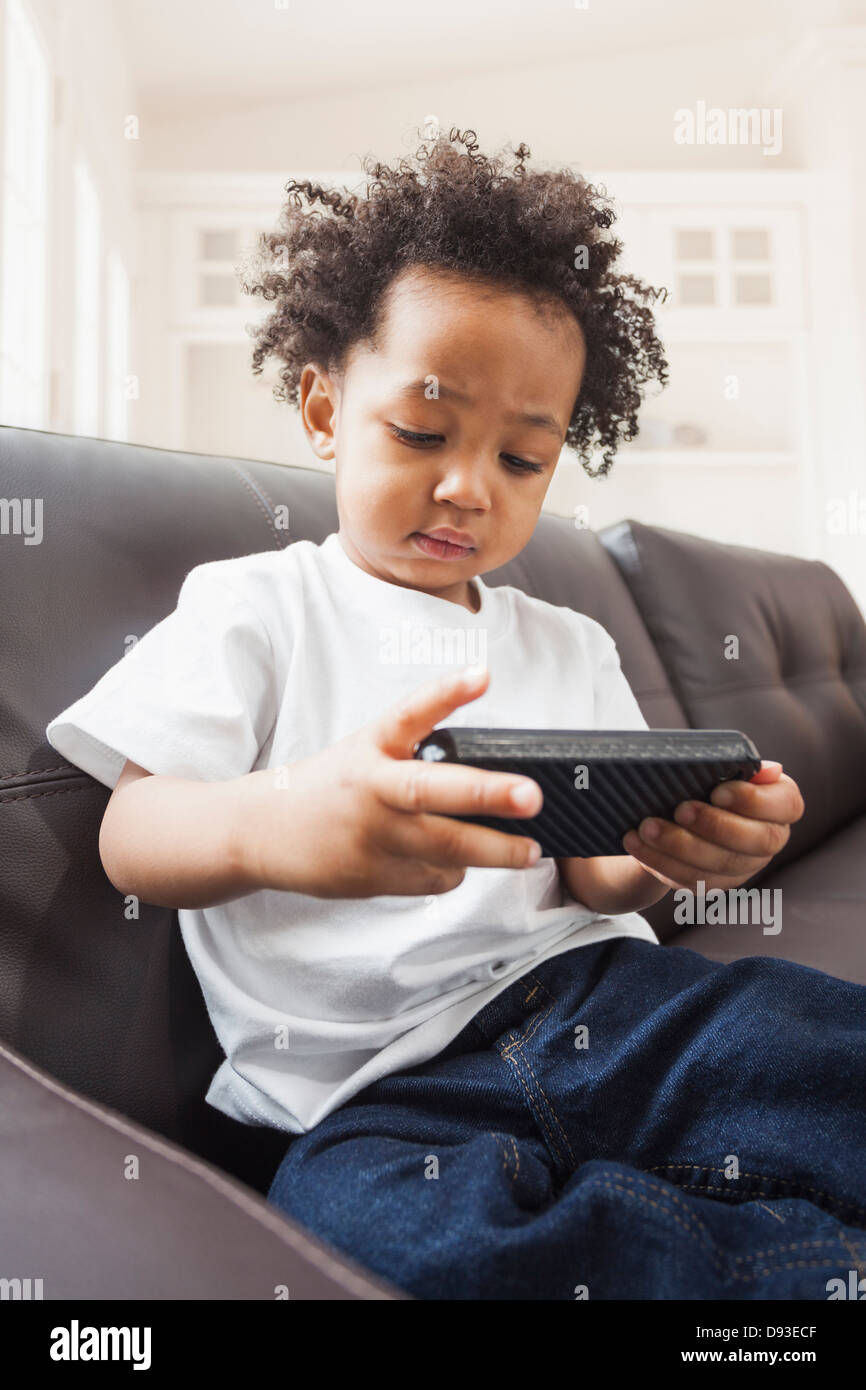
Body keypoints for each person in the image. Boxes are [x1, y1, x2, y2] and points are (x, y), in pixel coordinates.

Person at [46, 128, 864, 1301]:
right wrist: (285, 821)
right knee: (386, 1237)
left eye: (522, 459)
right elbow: (133, 832)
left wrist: (666, 853)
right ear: (323, 410)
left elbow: (594, 880)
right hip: (374, 1096)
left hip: (609, 1006)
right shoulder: (256, 605)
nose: (468, 486)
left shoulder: (568, 643)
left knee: (812, 1044)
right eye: (422, 434)